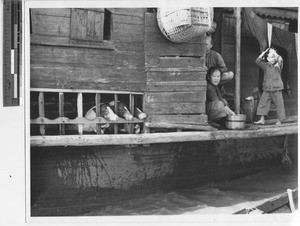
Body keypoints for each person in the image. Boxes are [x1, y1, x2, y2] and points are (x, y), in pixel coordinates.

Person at [254, 47, 286, 125]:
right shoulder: (266, 66)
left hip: (276, 88)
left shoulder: (278, 66)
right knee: (263, 103)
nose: (271, 59)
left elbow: (280, 59)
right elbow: (257, 61)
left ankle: (279, 120)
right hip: (267, 88)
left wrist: (274, 53)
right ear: (267, 58)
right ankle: (262, 119)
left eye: (273, 57)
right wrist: (264, 52)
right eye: (269, 57)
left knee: (279, 104)